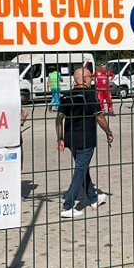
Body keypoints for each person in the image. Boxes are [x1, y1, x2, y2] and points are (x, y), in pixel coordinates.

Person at [55, 68, 114, 218]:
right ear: (85, 79)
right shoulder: (89, 95)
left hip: (70, 139)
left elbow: (59, 119)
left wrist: (60, 138)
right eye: (90, 77)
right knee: (80, 171)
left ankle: (93, 199)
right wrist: (108, 132)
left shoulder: (66, 95)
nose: (92, 80)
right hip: (86, 139)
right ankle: (67, 206)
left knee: (83, 168)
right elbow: (99, 117)